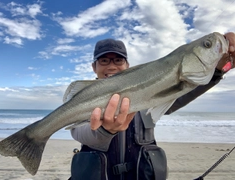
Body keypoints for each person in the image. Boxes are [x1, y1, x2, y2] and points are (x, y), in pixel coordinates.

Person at [67, 32, 235, 180]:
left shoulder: (148, 96)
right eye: (104, 61)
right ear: (93, 67)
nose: (112, 66)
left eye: (118, 60)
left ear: (127, 65)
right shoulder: (83, 100)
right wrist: (105, 131)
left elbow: (183, 90)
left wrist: (220, 68)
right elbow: (79, 132)